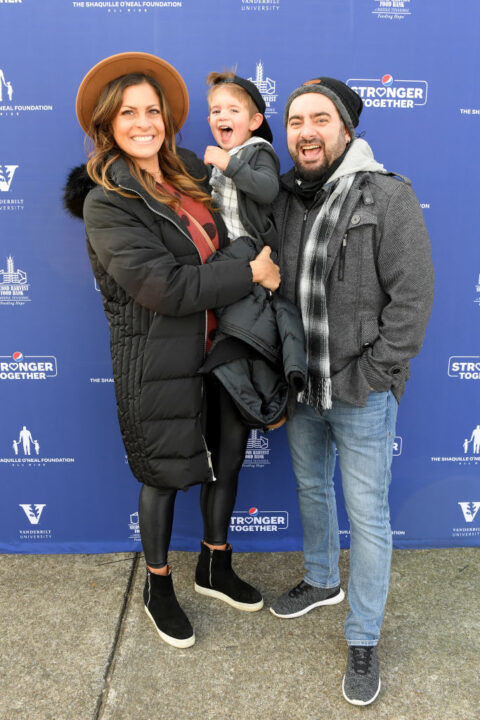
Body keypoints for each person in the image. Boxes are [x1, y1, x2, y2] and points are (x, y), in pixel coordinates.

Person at [65, 52, 280, 650]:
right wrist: (252, 273)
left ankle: (214, 563)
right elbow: (165, 287)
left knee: (227, 459)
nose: (143, 122)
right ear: (108, 125)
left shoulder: (188, 171)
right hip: (158, 360)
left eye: (152, 111)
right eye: (128, 112)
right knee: (163, 473)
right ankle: (157, 584)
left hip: (223, 350)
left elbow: (239, 226)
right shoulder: (107, 203)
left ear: (167, 120)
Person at [269, 77, 434, 706]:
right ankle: (320, 580)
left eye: (319, 119)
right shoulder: (283, 199)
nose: (305, 132)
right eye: (294, 122)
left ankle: (363, 635)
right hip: (303, 383)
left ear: (345, 128)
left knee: (367, 516)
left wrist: (367, 377)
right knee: (312, 488)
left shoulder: (388, 196)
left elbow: (412, 301)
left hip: (362, 390)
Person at [204, 71, 279, 246]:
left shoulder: (259, 150)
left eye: (234, 110)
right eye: (216, 111)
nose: (223, 115)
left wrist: (229, 164)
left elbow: (267, 191)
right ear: (209, 121)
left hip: (251, 245)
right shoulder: (216, 156)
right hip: (222, 243)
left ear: (254, 122)